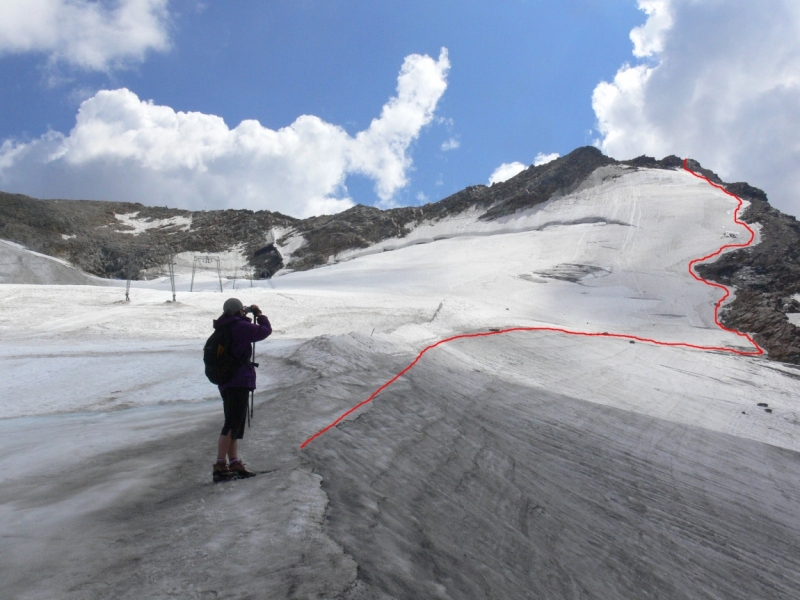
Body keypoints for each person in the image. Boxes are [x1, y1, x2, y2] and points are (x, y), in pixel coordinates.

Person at [212, 297, 272, 481]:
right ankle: (220, 465)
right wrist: (259, 314)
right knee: (232, 423)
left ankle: (234, 462)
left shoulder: (223, 327)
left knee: (235, 422)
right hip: (238, 380)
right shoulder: (239, 326)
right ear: (239, 310)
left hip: (227, 381)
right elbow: (264, 331)